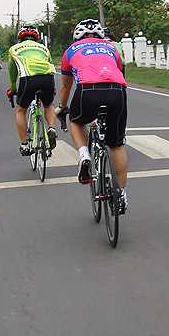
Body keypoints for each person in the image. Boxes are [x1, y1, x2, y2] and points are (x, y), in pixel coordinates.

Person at [57, 18, 129, 213]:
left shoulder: (70, 50)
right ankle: (122, 195)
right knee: (117, 145)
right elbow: (119, 71)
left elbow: (65, 86)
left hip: (87, 91)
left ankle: (84, 155)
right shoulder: (112, 48)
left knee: (75, 121)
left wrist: (62, 107)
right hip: (116, 90)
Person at [7, 26, 58, 156]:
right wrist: (52, 88)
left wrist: (13, 89)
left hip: (28, 78)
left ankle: (24, 145)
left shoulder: (14, 49)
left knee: (21, 110)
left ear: (20, 39)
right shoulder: (44, 48)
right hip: (48, 78)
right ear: (36, 39)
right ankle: (51, 128)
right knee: (49, 104)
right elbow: (49, 63)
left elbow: (12, 72)